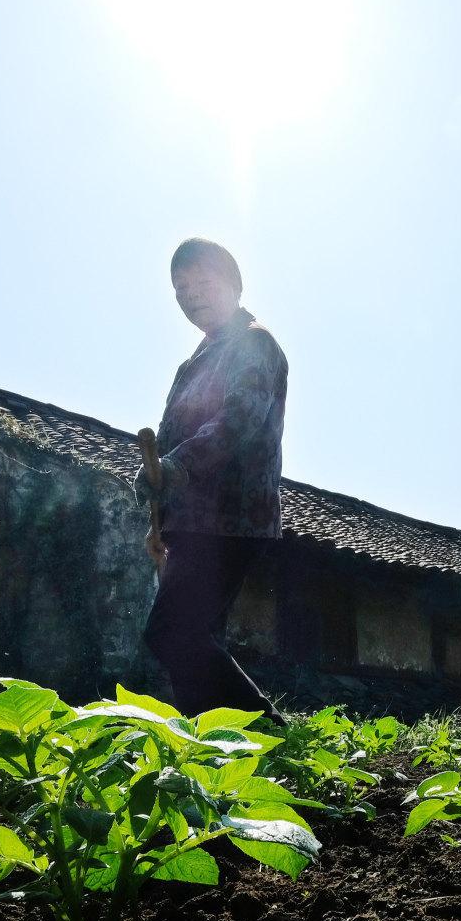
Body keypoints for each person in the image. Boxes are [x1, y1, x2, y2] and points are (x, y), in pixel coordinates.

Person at [133, 238, 289, 724]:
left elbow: (237, 421)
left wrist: (176, 465)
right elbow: (167, 439)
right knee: (194, 637)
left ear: (234, 284)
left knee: (171, 632)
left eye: (203, 283)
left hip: (230, 517)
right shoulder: (193, 364)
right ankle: (217, 746)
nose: (192, 295)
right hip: (192, 522)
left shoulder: (254, 343)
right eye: (181, 289)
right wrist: (156, 500)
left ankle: (267, 732)